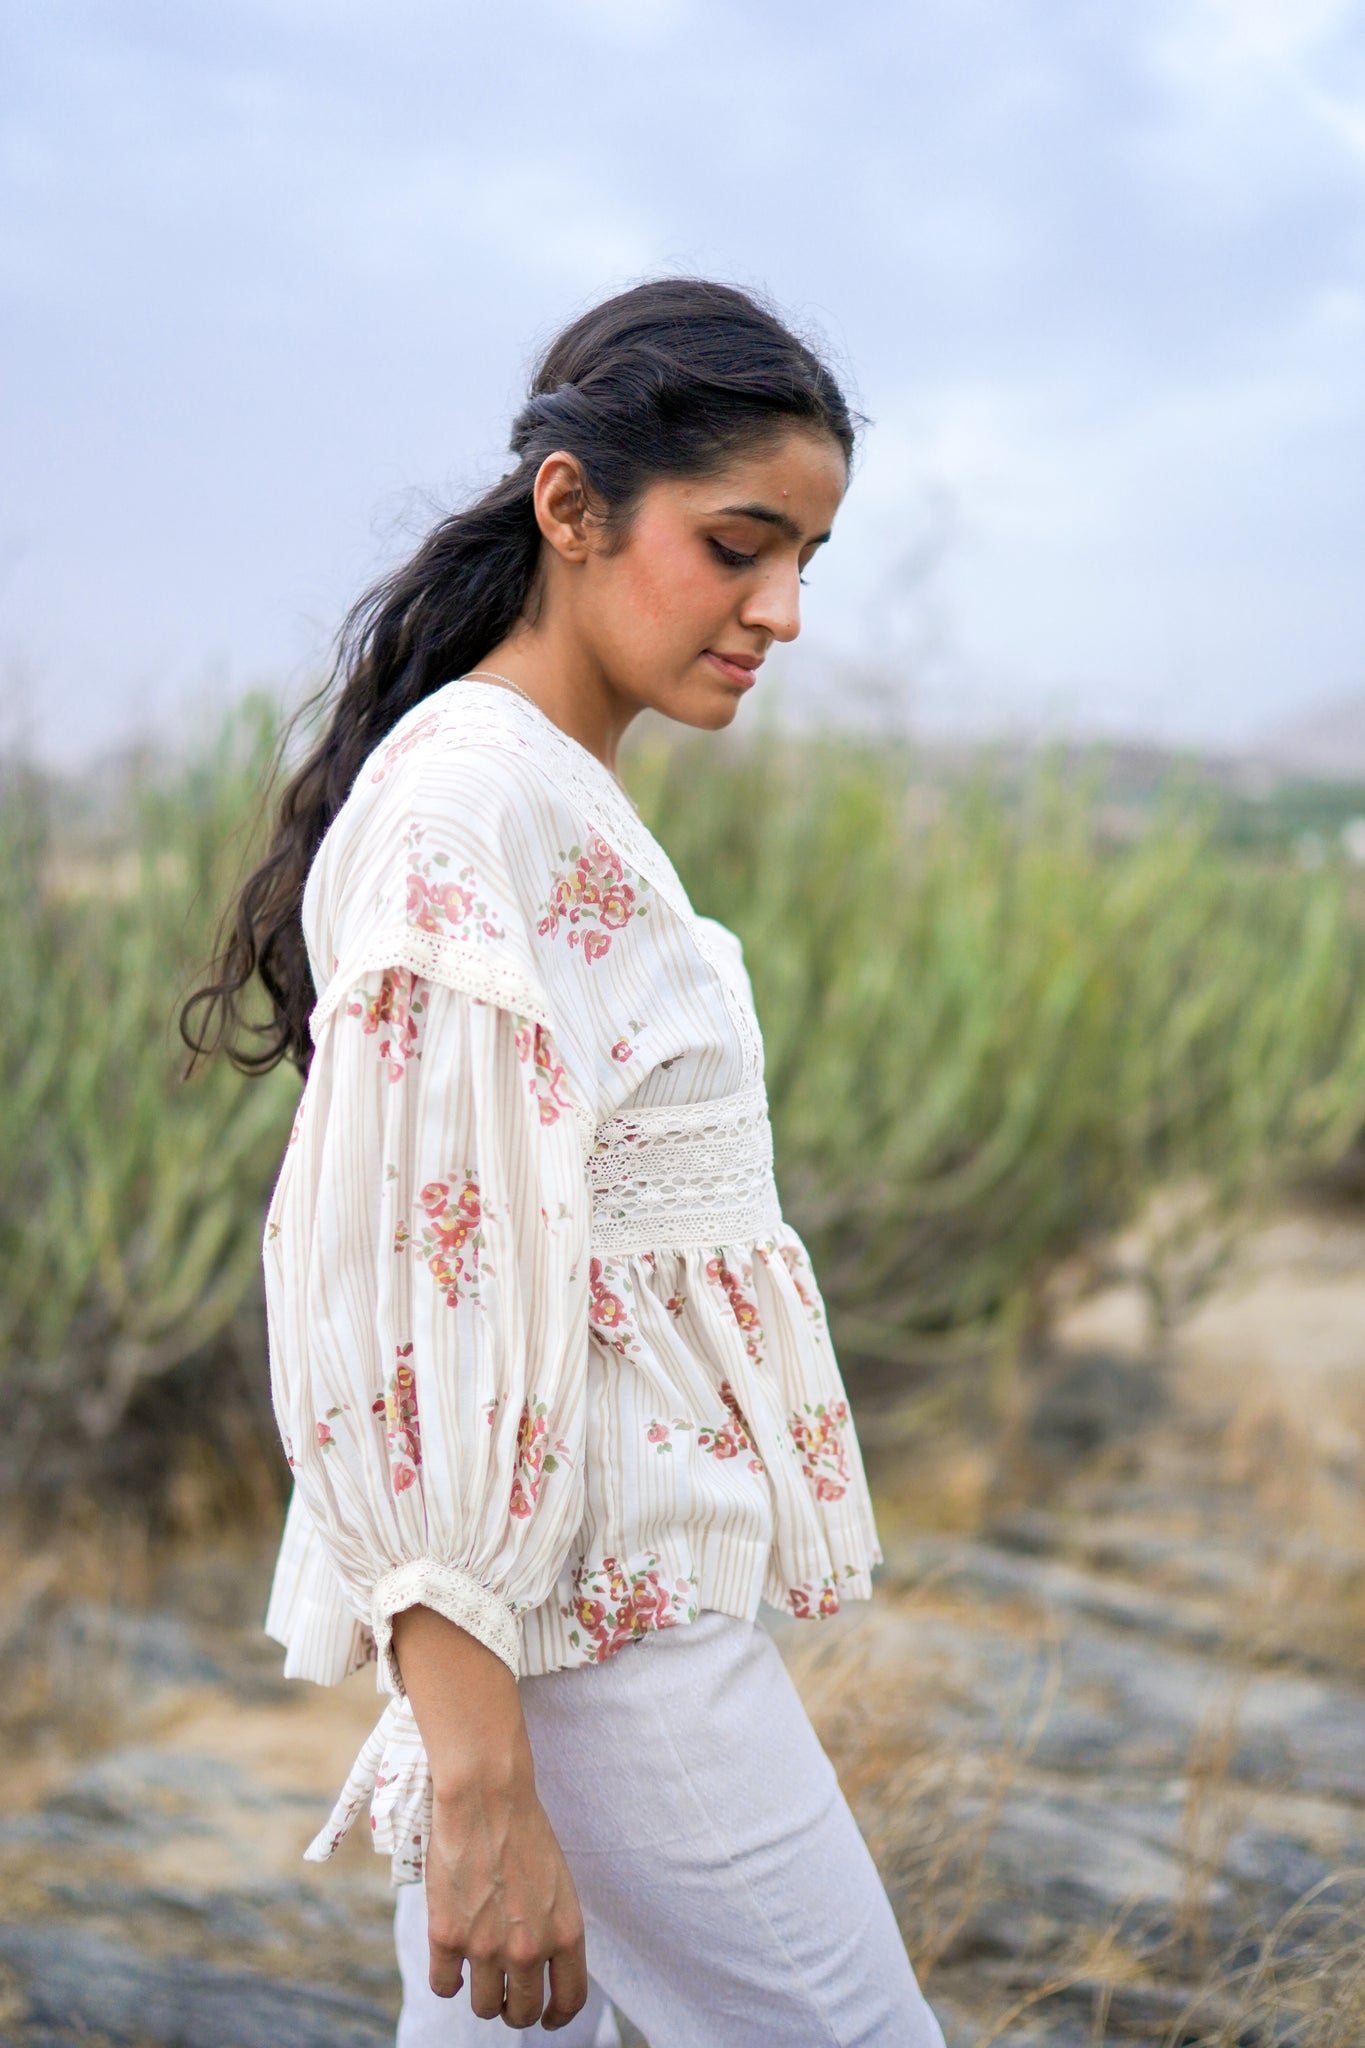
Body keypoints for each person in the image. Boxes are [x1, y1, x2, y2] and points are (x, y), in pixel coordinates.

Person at [182, 278, 946, 2048]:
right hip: (601, 1649)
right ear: (571, 508)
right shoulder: (471, 805)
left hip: (578, 1627)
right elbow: (408, 1289)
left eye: (806, 559)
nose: (782, 610)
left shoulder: (540, 789)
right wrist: (477, 1776)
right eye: (737, 546)